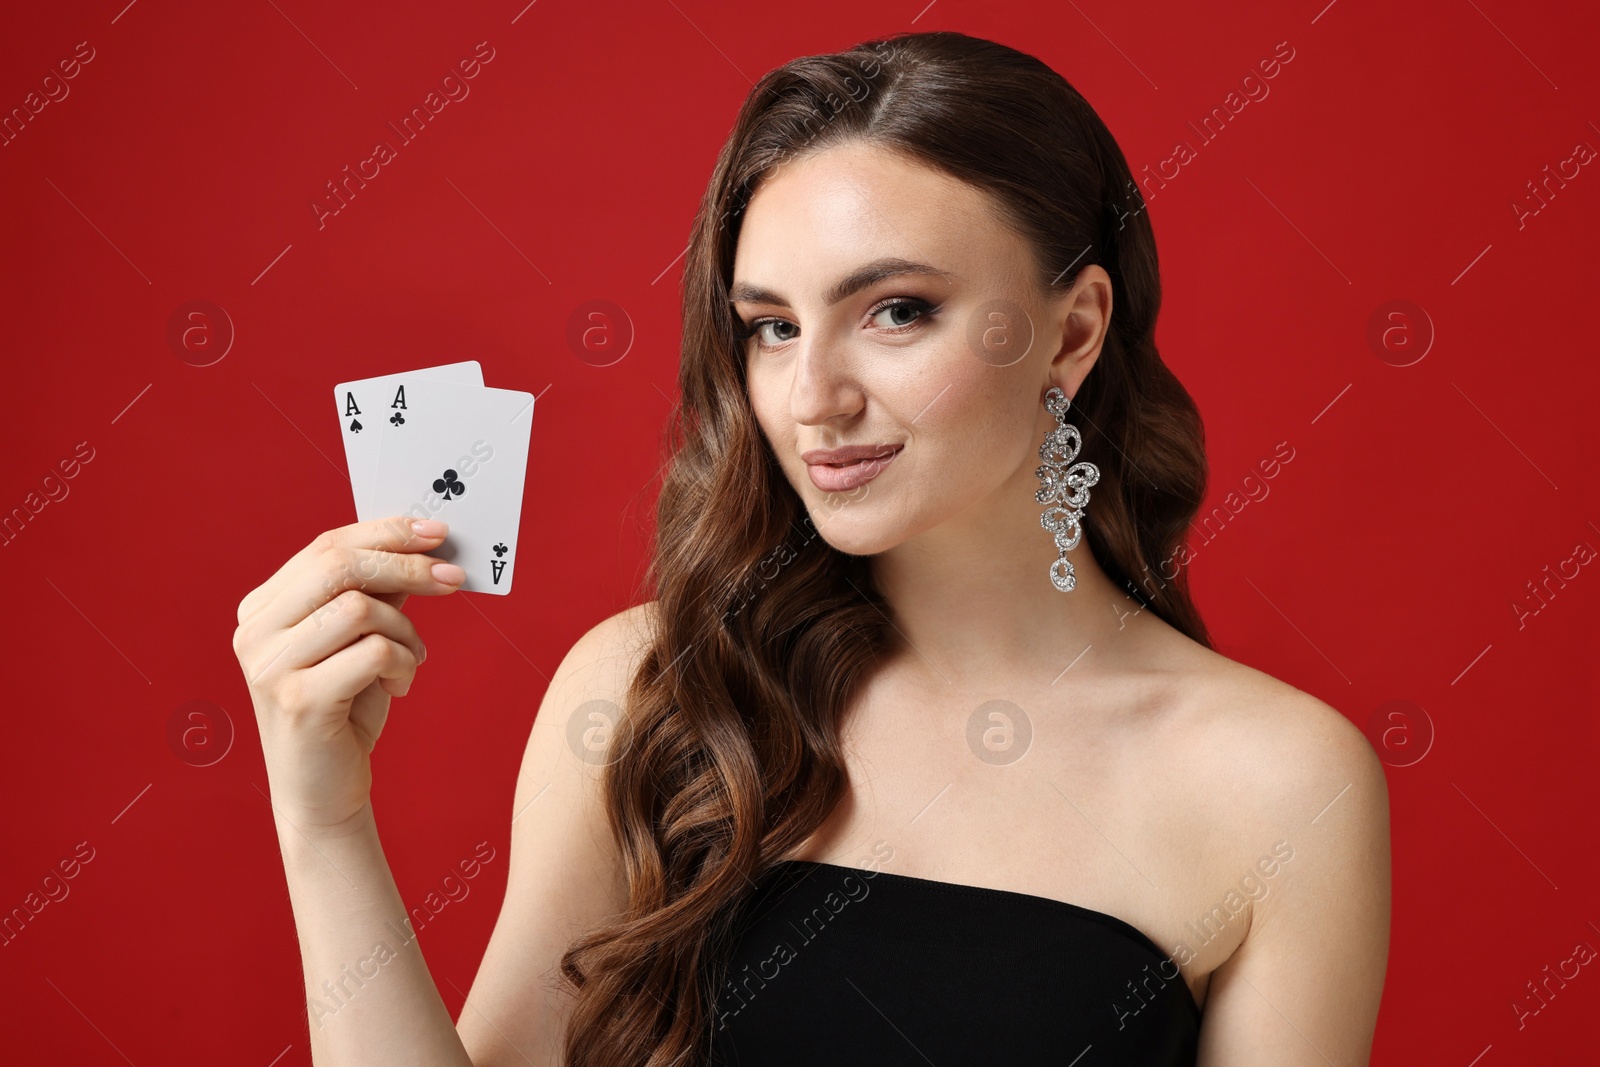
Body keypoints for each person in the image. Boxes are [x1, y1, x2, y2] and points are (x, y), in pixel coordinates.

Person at [233, 29, 1390, 1067]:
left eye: (895, 310)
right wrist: (323, 822)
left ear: (1072, 328)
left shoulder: (1282, 783)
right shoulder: (647, 688)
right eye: (772, 326)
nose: (811, 396)